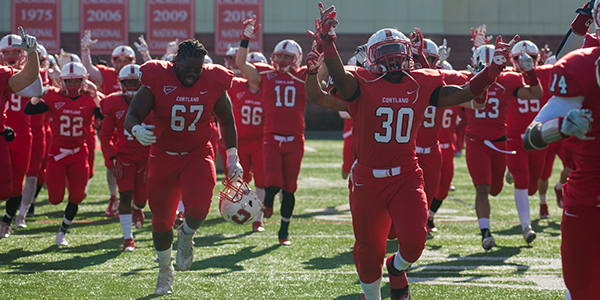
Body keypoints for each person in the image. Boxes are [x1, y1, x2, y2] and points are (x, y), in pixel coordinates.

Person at [308, 4, 514, 299]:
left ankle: (396, 267)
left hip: (406, 175)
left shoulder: (422, 81)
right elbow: (336, 80)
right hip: (368, 180)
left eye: (396, 50)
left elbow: (466, 93)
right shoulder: (361, 81)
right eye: (385, 51)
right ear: (371, 56)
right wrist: (328, 43)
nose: (392, 57)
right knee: (369, 250)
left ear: (407, 54)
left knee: (416, 240)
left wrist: (493, 70)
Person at [124, 39, 241, 295]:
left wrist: (233, 157)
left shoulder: (213, 80)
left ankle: (186, 235)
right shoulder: (157, 76)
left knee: (199, 208)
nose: (192, 74)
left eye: (197, 69)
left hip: (197, 153)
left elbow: (227, 121)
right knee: (161, 221)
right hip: (163, 155)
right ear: (176, 62)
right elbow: (131, 116)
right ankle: (165, 270)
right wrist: (136, 129)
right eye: (187, 68)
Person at [235, 15, 309, 245]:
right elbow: (241, 64)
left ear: (296, 59)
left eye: (287, 57)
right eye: (278, 56)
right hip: (271, 137)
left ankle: (283, 232)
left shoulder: (303, 76)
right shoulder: (266, 75)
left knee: (290, 188)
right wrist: (245, 38)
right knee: (273, 182)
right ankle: (267, 204)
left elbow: (325, 69)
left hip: (295, 138)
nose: (281, 61)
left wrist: (324, 43)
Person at [23, 62, 100, 246]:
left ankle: (62, 231)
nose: (72, 85)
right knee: (55, 199)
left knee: (77, 196)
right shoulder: (52, 96)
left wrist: (96, 96)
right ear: (61, 82)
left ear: (84, 81)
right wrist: (37, 95)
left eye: (76, 81)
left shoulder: (91, 97)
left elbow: (104, 113)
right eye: (69, 81)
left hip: (79, 153)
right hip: (57, 154)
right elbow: (29, 110)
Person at [81, 30, 136, 216]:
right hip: (111, 124)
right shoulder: (106, 74)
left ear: (132, 61)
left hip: (135, 124)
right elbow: (88, 68)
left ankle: (132, 199)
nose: (121, 63)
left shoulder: (140, 74)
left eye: (125, 60)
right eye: (118, 60)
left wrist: (146, 55)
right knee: (112, 164)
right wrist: (85, 51)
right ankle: (115, 197)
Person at [505, 40, 554, 230]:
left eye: (531, 58)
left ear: (538, 59)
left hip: (538, 135)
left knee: (533, 187)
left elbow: (566, 62)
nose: (525, 62)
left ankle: (514, 169)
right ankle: (526, 226)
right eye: (519, 58)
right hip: (515, 135)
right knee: (523, 181)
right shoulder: (508, 76)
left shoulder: (545, 72)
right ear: (512, 59)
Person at [99, 64, 149, 252]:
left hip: (146, 157)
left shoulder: (153, 102)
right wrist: (112, 157)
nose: (132, 86)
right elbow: (105, 135)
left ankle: (138, 209)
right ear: (121, 83)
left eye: (136, 83)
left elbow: (160, 132)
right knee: (125, 194)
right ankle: (128, 238)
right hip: (124, 156)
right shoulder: (113, 103)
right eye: (128, 82)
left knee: (142, 200)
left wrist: (154, 158)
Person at [0, 28, 41, 238]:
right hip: (6, 132)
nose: (10, 57)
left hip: (16, 134)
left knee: (13, 186)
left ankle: (9, 219)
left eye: (13, 52)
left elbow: (36, 89)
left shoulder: (5, 74)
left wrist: (33, 55)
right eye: (6, 53)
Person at [224, 47, 269, 232]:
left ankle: (258, 218)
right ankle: (240, 211)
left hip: (261, 142)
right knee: (241, 180)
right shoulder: (236, 85)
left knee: (261, 180)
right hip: (240, 142)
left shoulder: (270, 89)